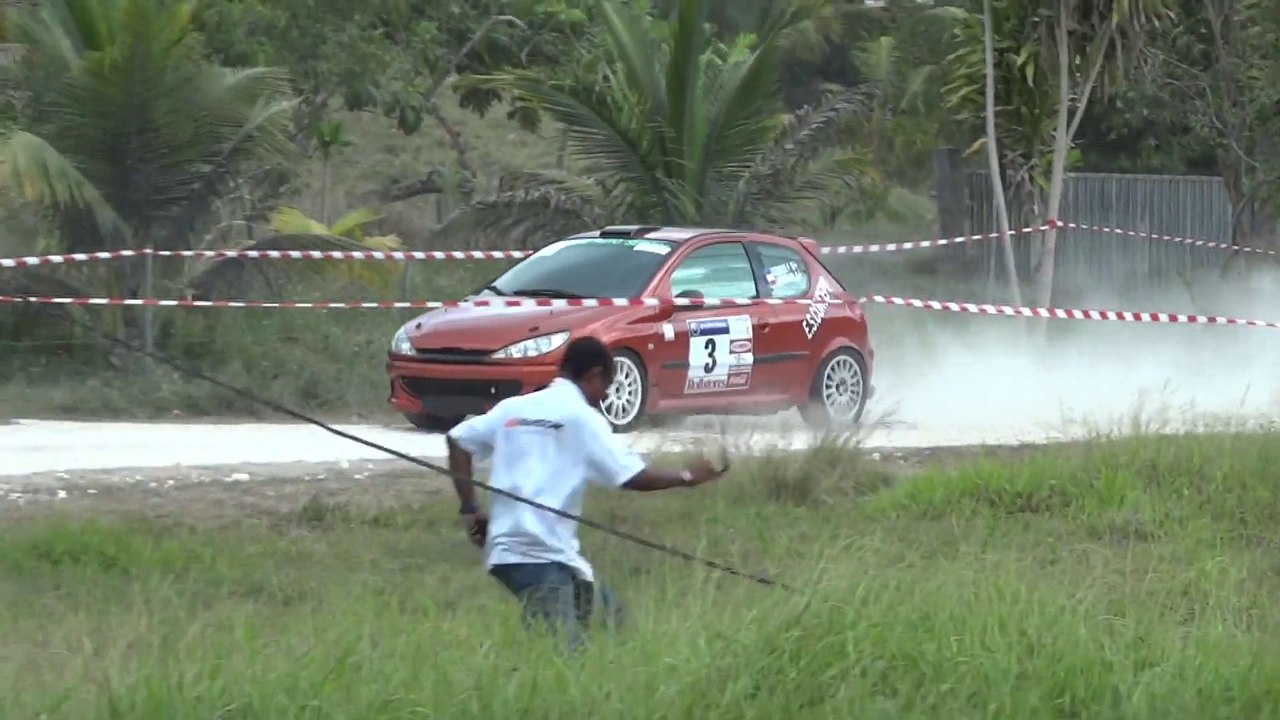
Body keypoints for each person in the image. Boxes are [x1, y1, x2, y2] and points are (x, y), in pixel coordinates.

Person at [445, 335, 726, 651]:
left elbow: (458, 440)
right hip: (535, 552)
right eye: (605, 387)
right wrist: (688, 477)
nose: (603, 397)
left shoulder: (513, 408)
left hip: (532, 550)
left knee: (612, 618)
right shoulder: (582, 417)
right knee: (566, 650)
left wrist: (469, 507)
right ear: (594, 375)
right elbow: (633, 477)